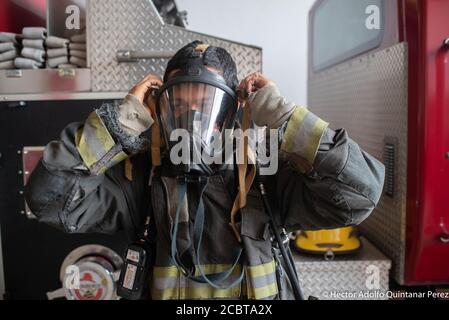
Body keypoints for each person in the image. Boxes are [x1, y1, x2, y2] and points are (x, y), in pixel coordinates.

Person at [25, 41, 385, 300]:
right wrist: (120, 123)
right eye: (179, 105)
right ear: (160, 109)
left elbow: (360, 192)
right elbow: (49, 200)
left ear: (233, 111)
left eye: (207, 106)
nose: (194, 120)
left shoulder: (265, 174)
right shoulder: (142, 177)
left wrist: (283, 117)